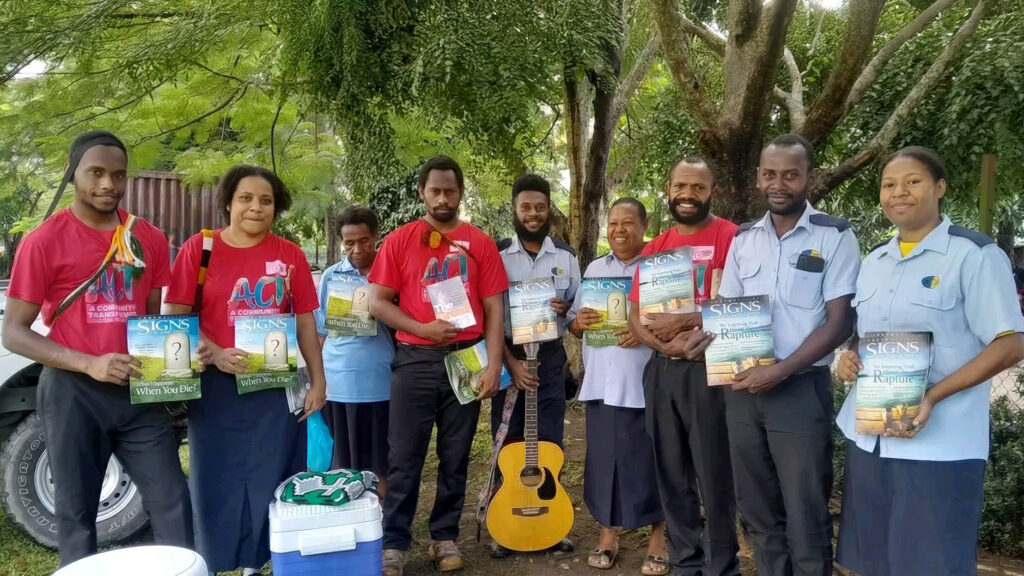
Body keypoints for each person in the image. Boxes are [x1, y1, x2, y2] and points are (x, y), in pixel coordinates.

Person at [1, 130, 193, 566]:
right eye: (97, 173)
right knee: (75, 512)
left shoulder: (147, 237)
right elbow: (14, 332)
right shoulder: (43, 241)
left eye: (119, 175)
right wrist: (90, 363)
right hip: (73, 393)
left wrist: (176, 354)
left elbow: (149, 320)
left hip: (137, 393)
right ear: (73, 174)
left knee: (172, 500)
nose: (108, 184)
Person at [834, 146, 1024, 576]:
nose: (898, 192)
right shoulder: (875, 260)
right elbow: (866, 334)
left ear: (939, 188)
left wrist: (933, 396)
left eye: (912, 181)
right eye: (888, 184)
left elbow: (1010, 343)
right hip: (871, 437)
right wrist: (849, 356)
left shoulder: (974, 256)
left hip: (941, 445)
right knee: (874, 559)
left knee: (931, 562)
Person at [164, 165, 327, 576]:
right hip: (216, 390)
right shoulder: (199, 250)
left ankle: (262, 562)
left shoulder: (289, 254)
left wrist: (319, 381)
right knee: (215, 479)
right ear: (228, 203)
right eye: (246, 199)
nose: (256, 207)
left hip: (274, 388)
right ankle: (216, 562)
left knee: (272, 476)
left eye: (266, 200)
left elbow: (306, 321)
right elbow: (175, 317)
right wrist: (216, 354)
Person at [716, 134, 860, 576]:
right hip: (742, 390)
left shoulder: (835, 236)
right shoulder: (743, 239)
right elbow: (729, 313)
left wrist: (778, 372)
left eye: (791, 175)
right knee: (757, 505)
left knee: (805, 506)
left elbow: (839, 323)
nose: (779, 184)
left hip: (799, 389)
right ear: (759, 176)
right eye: (770, 174)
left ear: (808, 179)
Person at [369, 155, 508, 576]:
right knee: (404, 455)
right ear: (421, 192)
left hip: (467, 358)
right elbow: (377, 302)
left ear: (460, 193)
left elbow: (494, 308)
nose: (443, 198)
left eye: (450, 191)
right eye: (435, 191)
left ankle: (444, 537)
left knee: (456, 453)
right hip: (414, 359)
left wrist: (493, 365)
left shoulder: (479, 243)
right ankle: (395, 544)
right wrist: (422, 328)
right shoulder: (398, 241)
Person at [626, 157, 741, 576]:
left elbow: (736, 305)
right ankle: (684, 563)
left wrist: (689, 320)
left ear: (712, 191)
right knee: (671, 474)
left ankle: (722, 567)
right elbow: (635, 312)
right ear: (668, 189)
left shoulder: (732, 237)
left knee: (714, 476)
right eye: (680, 187)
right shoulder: (656, 247)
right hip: (661, 371)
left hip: (710, 372)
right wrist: (660, 344)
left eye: (697, 187)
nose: (687, 195)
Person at [569, 198, 668, 575]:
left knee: (654, 460)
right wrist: (581, 321)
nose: (619, 230)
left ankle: (659, 537)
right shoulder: (594, 268)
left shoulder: (657, 266)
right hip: (601, 382)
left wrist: (645, 333)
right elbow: (575, 326)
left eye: (628, 223)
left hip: (646, 381)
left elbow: (674, 320)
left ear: (645, 226)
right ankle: (608, 535)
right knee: (603, 461)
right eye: (612, 224)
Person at [490, 173, 581, 556]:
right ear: (514, 209)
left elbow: (577, 313)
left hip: (550, 357)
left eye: (540, 207)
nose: (532, 214)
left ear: (548, 211)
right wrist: (508, 362)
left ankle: (551, 519)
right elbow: (485, 316)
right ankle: (504, 524)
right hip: (509, 355)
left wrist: (566, 311)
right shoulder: (495, 255)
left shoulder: (565, 256)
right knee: (507, 440)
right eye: (525, 207)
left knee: (550, 441)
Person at [314, 206, 394, 491]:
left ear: (376, 237)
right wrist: (318, 381)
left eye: (364, 240)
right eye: (349, 242)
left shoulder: (391, 274)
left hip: (380, 382)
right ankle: (349, 518)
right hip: (339, 384)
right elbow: (320, 333)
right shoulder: (331, 277)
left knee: (380, 460)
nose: (357, 248)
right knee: (344, 462)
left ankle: (379, 518)